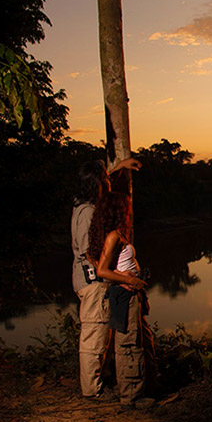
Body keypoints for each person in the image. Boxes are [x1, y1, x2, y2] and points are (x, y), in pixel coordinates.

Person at [71, 158, 140, 400]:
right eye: (106, 179)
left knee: (101, 335)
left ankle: (99, 383)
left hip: (95, 282)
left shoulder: (84, 204)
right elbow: (88, 252)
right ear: (98, 184)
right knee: (94, 338)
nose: (108, 182)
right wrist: (118, 275)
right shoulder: (88, 212)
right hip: (92, 284)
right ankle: (93, 391)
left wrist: (118, 167)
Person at [87, 191, 152, 407]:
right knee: (129, 344)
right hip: (125, 295)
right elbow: (102, 271)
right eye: (124, 207)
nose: (127, 211)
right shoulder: (113, 235)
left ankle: (134, 391)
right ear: (117, 211)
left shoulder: (110, 234)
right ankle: (132, 397)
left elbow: (93, 258)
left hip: (127, 293)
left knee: (132, 341)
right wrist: (128, 280)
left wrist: (121, 274)